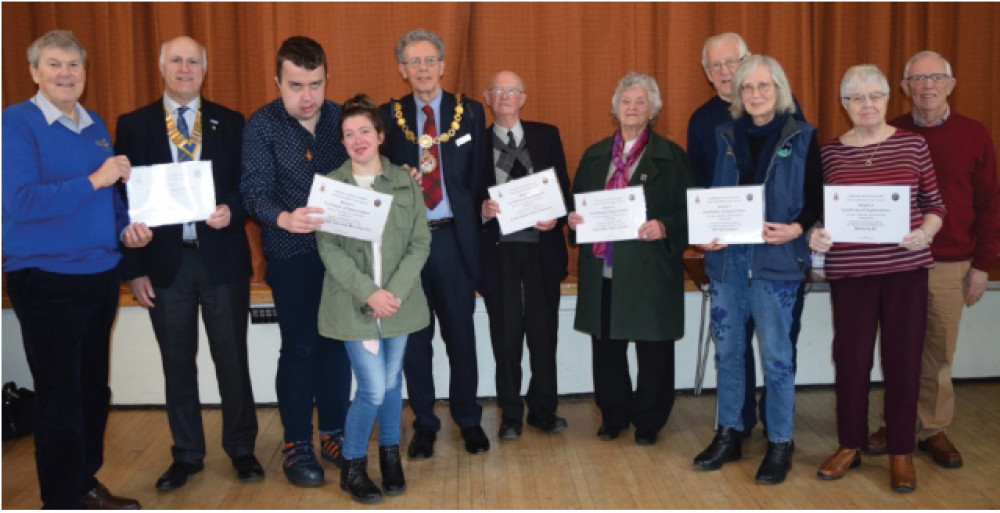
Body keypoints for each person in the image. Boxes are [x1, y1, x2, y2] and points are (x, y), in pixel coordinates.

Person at [2, 29, 151, 509]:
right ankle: (62, 499)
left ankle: (85, 483)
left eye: (73, 65)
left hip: (99, 275)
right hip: (46, 280)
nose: (65, 73)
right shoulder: (16, 124)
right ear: (34, 72)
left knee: (92, 390)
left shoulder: (93, 124)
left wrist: (126, 229)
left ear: (85, 73)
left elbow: (106, 200)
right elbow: (21, 202)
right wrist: (95, 178)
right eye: (54, 64)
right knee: (60, 395)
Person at [114, 36, 263, 491]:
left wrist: (231, 211)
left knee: (232, 359)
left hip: (221, 259)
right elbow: (123, 200)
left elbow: (247, 187)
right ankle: (187, 454)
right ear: (162, 68)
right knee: (176, 362)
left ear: (204, 68)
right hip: (164, 265)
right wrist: (134, 268)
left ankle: (241, 448)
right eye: (176, 60)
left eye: (193, 61)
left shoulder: (231, 122)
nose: (184, 68)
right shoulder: (134, 125)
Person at [862, 51, 1000, 469]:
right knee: (900, 347)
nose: (927, 86)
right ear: (903, 88)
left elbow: (991, 205)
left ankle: (934, 427)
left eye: (936, 77)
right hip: (896, 259)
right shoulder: (889, 131)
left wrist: (982, 265)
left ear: (950, 84)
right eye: (918, 79)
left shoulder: (975, 135)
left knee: (938, 350)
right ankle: (897, 422)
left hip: (950, 260)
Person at [811, 64, 945, 493]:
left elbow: (936, 205)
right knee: (851, 361)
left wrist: (925, 232)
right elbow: (819, 213)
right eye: (856, 98)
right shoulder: (829, 153)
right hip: (851, 274)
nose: (867, 105)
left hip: (905, 272)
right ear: (844, 104)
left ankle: (901, 451)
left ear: (889, 99)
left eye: (875, 96)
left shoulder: (913, 145)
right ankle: (850, 444)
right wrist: (816, 233)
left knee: (904, 362)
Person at [692, 55, 823, 485]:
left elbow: (815, 199)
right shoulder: (723, 133)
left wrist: (797, 229)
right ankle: (729, 432)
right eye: (747, 87)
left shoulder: (803, 136)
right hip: (728, 263)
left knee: (777, 358)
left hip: (777, 263)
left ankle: (780, 442)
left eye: (763, 86)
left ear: (779, 89)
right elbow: (708, 194)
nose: (754, 94)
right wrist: (706, 231)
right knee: (728, 352)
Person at [241, 35, 352, 487]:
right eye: (295, 86)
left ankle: (334, 432)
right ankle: (296, 443)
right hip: (291, 255)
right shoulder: (261, 125)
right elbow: (252, 192)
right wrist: (284, 217)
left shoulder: (344, 119)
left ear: (327, 78)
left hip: (341, 255)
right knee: (301, 347)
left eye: (316, 84)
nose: (307, 97)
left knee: (337, 345)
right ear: (278, 81)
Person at [378, 28, 490, 458]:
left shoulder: (472, 113)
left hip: (453, 243)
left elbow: (479, 175)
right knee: (415, 339)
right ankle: (424, 422)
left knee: (461, 336)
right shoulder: (389, 115)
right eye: (414, 62)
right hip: (408, 247)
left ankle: (469, 419)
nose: (423, 69)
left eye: (430, 61)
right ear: (402, 70)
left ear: (443, 66)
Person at [567, 72, 693, 447]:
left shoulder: (671, 157)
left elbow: (693, 212)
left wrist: (665, 226)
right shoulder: (594, 156)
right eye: (626, 101)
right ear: (615, 108)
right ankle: (614, 415)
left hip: (651, 270)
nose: (633, 107)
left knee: (654, 348)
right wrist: (574, 222)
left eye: (640, 101)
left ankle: (650, 421)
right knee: (606, 347)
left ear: (652, 108)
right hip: (604, 270)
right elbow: (576, 215)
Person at [316, 94, 431, 504]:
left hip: (398, 303)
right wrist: (370, 292)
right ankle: (352, 466)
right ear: (342, 142)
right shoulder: (331, 186)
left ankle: (389, 455)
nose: (357, 139)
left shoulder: (404, 181)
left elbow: (420, 242)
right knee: (372, 388)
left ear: (381, 135)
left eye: (365, 130)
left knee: (392, 381)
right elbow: (329, 249)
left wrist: (393, 292)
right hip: (355, 305)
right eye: (349, 134)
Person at [478, 70, 572, 440]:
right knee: (506, 334)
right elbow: (466, 194)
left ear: (523, 97)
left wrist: (558, 215)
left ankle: (544, 410)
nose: (504, 96)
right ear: (487, 97)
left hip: (541, 249)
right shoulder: (474, 143)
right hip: (498, 250)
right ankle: (511, 414)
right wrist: (481, 210)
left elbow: (563, 189)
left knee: (543, 331)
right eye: (498, 90)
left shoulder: (547, 135)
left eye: (512, 90)